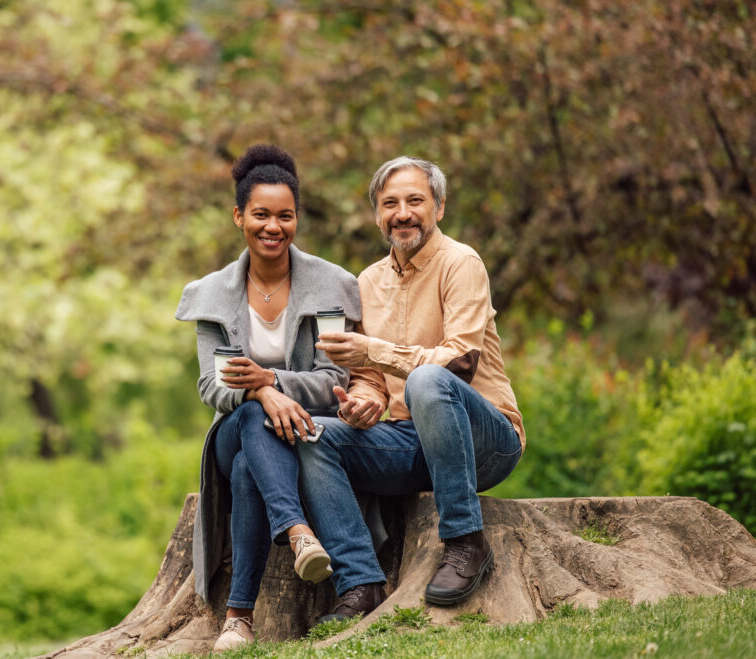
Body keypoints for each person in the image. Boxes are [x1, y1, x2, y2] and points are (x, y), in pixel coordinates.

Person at [303, 156, 525, 621]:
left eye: (414, 201)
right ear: (377, 215)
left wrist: (373, 350)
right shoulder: (366, 281)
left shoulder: (461, 263)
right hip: (410, 442)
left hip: (487, 440)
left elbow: (460, 363)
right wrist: (363, 403)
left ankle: (465, 543)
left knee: (429, 379)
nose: (402, 213)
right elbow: (369, 378)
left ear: (438, 207)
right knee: (313, 436)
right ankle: (361, 583)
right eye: (390, 203)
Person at [174, 143, 362, 650]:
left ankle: (239, 616)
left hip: (308, 431)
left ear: (297, 218)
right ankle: (297, 530)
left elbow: (333, 380)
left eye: (285, 216)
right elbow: (213, 386)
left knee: (247, 472)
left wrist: (270, 383)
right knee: (253, 430)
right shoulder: (212, 295)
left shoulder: (330, 287)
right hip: (234, 431)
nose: (272, 227)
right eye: (260, 214)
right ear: (239, 216)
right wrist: (261, 396)